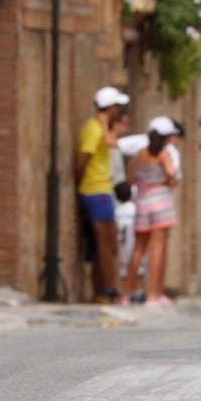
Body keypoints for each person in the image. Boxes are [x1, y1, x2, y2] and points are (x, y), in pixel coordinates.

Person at [76, 86, 129, 302]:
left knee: (109, 242)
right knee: (104, 243)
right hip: (95, 189)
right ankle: (107, 288)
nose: (120, 110)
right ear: (110, 108)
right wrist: (81, 183)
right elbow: (82, 159)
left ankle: (104, 289)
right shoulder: (95, 128)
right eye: (117, 106)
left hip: (102, 190)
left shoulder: (100, 126)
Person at [124, 118, 180, 306]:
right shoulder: (164, 155)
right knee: (157, 249)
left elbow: (131, 179)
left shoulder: (138, 155)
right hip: (160, 202)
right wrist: (163, 182)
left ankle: (125, 295)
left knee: (138, 249)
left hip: (142, 202)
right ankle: (153, 295)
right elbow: (172, 174)